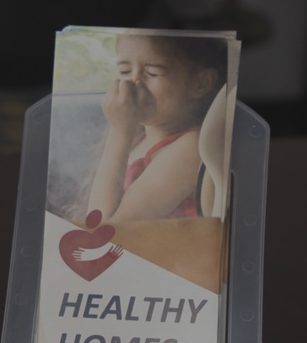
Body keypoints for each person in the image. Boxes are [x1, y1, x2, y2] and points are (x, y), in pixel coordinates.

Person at [86, 33, 227, 223]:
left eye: (153, 73)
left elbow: (104, 228)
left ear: (201, 83)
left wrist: (119, 130)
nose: (133, 81)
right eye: (125, 71)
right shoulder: (136, 141)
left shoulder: (193, 148)